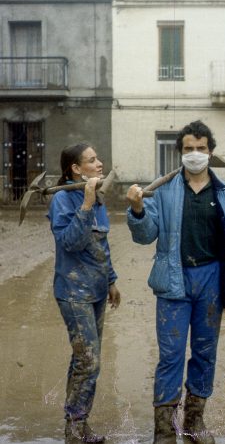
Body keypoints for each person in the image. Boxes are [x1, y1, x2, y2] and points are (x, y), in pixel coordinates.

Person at [126, 120, 225, 444]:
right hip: (173, 282)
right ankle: (164, 432)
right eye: (188, 149)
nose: (195, 154)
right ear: (180, 153)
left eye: (201, 148)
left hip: (212, 282)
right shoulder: (163, 190)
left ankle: (195, 423)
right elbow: (145, 235)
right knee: (171, 356)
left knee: (205, 353)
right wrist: (138, 209)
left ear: (211, 152)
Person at [48, 143, 120, 443]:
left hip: (97, 290)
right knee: (89, 361)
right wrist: (86, 205)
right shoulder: (63, 200)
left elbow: (100, 244)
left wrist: (112, 280)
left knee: (84, 359)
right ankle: (75, 429)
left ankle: (77, 422)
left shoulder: (96, 196)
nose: (99, 164)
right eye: (92, 160)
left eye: (98, 158)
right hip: (73, 291)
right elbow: (70, 243)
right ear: (76, 169)